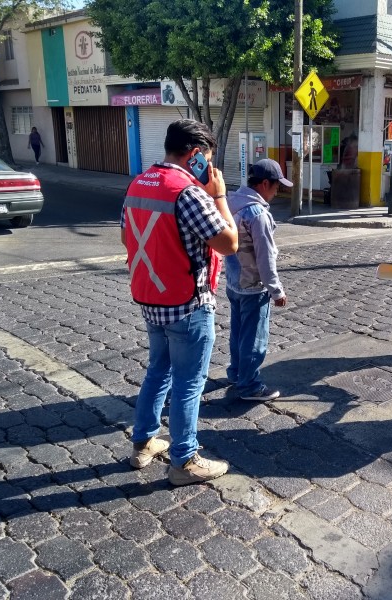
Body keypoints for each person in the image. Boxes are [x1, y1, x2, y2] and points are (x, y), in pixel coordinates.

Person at [120, 119, 238, 485]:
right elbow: (228, 243)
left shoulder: (139, 183)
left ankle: (143, 443)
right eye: (208, 158)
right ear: (197, 155)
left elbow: (126, 232)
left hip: (151, 298)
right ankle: (184, 461)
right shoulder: (189, 193)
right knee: (189, 382)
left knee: (159, 370)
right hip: (188, 304)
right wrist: (218, 194)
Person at [225, 159, 291, 401]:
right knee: (254, 338)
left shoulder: (231, 204)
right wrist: (276, 291)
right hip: (253, 285)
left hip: (233, 281)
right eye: (276, 186)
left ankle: (236, 373)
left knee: (238, 332)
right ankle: (249, 385)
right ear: (264, 184)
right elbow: (265, 258)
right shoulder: (257, 214)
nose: (277, 191)